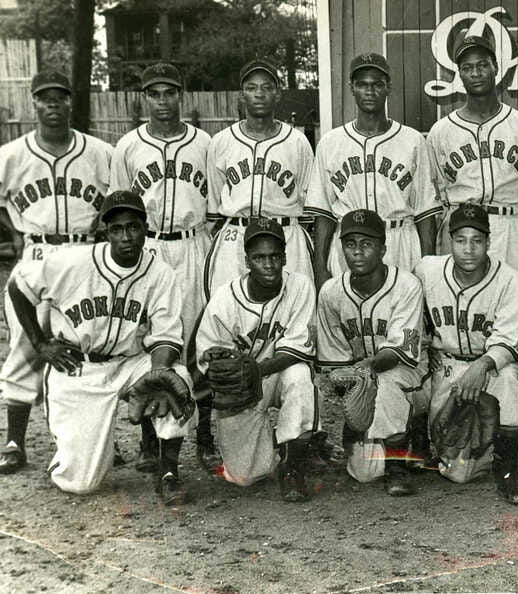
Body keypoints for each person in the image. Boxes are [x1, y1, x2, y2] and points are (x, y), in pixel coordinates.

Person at [6, 191, 193, 502]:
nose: (126, 237)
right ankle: (74, 452)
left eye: (133, 227)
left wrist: (159, 372)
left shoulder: (160, 273)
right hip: (79, 368)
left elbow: (167, 336)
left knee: (177, 377)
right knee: (80, 482)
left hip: (130, 363)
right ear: (105, 232)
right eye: (116, 229)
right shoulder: (73, 262)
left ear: (145, 229)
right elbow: (18, 286)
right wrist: (40, 343)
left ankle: (169, 471)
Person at [0, 71, 112, 475]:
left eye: (60, 98)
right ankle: (14, 440)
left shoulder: (99, 152)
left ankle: (76, 439)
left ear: (70, 103)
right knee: (25, 346)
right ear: (34, 104)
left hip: (84, 253)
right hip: (36, 250)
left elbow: (118, 200)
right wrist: (12, 236)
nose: (53, 105)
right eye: (45, 99)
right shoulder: (11, 154)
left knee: (79, 344)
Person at [109, 62, 218, 475]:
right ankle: (150, 442)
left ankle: (205, 439)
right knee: (147, 342)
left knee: (198, 343)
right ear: (145, 98)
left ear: (181, 95)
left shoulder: (203, 143)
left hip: (193, 243)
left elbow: (217, 204)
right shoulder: (128, 146)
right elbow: (118, 203)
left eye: (169, 92)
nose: (162, 101)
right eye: (154, 93)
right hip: (148, 245)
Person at [414, 203, 518, 506]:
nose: (469, 249)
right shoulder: (427, 270)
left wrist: (483, 364)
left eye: (477, 241)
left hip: (490, 368)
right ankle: (418, 443)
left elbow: (512, 339)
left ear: (488, 242)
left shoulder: (508, 278)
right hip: (447, 367)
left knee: (510, 380)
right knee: (459, 474)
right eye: (460, 240)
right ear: (448, 241)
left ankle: (508, 470)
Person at [194, 218, 319, 501]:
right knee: (245, 476)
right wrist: (217, 363)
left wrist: (257, 368)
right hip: (242, 388)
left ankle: (293, 465)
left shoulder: (300, 286)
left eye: (275, 256)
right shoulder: (224, 299)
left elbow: (298, 350)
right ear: (247, 260)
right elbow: (208, 359)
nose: (269, 264)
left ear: (285, 257)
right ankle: (273, 441)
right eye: (260, 257)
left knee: (300, 376)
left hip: (279, 372)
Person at [316, 209, 428, 495]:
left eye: (366, 244)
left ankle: (397, 465)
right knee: (364, 474)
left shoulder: (406, 286)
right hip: (360, 381)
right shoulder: (331, 292)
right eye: (350, 244)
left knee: (387, 380)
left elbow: (398, 352)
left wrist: (361, 372)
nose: (357, 252)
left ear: (383, 248)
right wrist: (353, 409)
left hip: (411, 374)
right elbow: (333, 358)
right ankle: (377, 435)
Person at [426, 34, 518, 288]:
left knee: (517, 307)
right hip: (460, 229)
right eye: (467, 68)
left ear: (495, 68)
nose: (476, 73)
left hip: (509, 225)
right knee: (463, 308)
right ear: (459, 75)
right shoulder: (441, 131)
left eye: (482, 65)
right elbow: (435, 191)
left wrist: (517, 223)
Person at [307, 53, 440, 283]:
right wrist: (320, 268)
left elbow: (425, 212)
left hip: (399, 240)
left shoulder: (413, 140)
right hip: (349, 246)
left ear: (388, 87)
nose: (370, 91)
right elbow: (324, 214)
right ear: (352, 87)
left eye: (377, 84)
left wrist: (427, 265)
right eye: (362, 84)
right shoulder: (331, 142)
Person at [205, 59, 316, 295]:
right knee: (227, 309)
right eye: (251, 88)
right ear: (241, 95)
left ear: (278, 94)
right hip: (235, 236)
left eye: (267, 87)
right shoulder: (222, 141)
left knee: (293, 307)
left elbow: (308, 203)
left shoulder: (297, 142)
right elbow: (215, 203)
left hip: (286, 235)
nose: (259, 94)